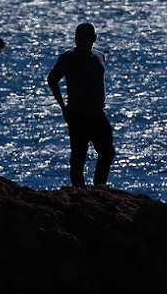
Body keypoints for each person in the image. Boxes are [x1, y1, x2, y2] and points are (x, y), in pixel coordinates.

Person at [47, 23, 116, 187]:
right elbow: (52, 80)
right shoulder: (68, 57)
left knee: (107, 152)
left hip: (97, 113)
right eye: (80, 37)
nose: (83, 40)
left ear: (94, 38)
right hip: (77, 114)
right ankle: (79, 191)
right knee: (79, 156)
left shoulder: (99, 56)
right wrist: (63, 107)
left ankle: (99, 186)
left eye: (86, 37)